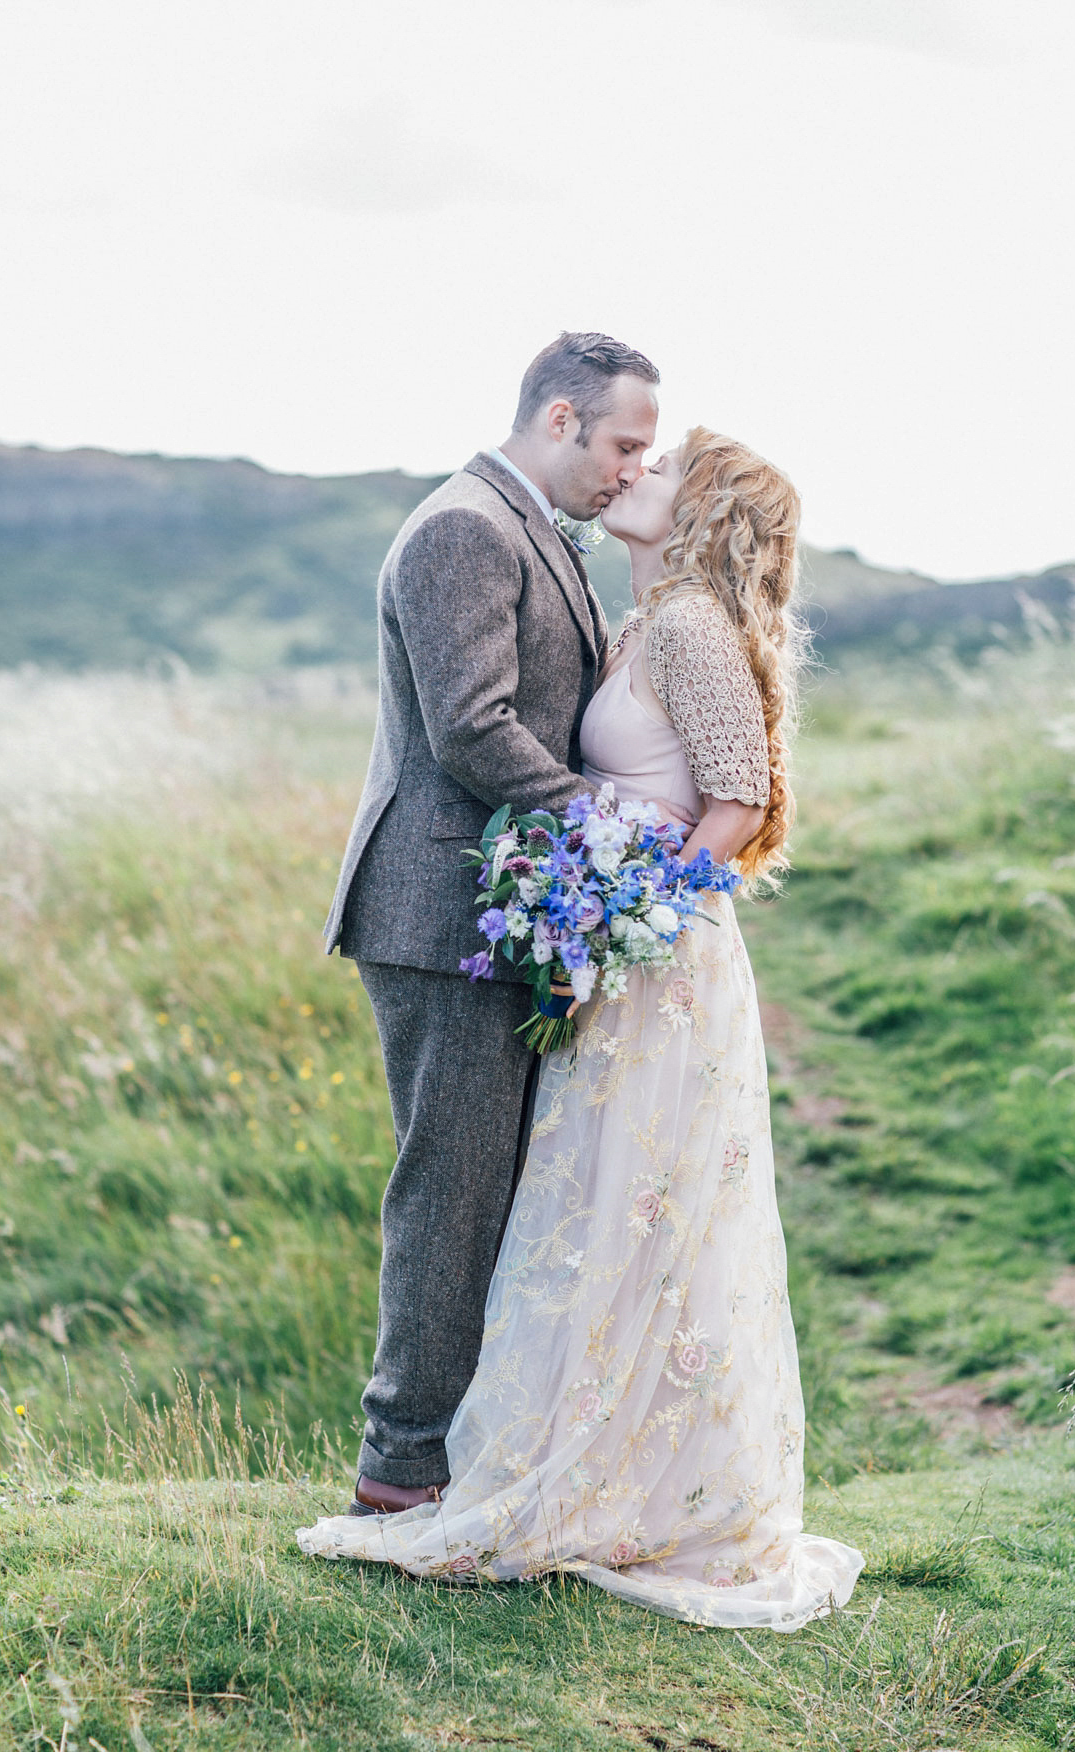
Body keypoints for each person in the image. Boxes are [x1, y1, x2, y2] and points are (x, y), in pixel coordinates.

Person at [299, 427, 865, 1631]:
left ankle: (632, 1485)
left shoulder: (694, 630)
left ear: (702, 511)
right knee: (600, 1207)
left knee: (641, 1211)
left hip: (663, 962)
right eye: (630, 451)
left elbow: (742, 800)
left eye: (659, 468)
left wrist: (635, 911)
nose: (633, 476)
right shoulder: (648, 624)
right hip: (630, 958)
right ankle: (592, 1461)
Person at [325, 332, 661, 1516]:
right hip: (439, 907)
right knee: (451, 1189)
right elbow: (472, 726)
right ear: (561, 420)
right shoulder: (466, 526)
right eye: (625, 442)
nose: (632, 468)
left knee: (497, 1188)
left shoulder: (534, 532)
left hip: (496, 909)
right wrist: (603, 825)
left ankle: (462, 1455)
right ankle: (403, 1471)